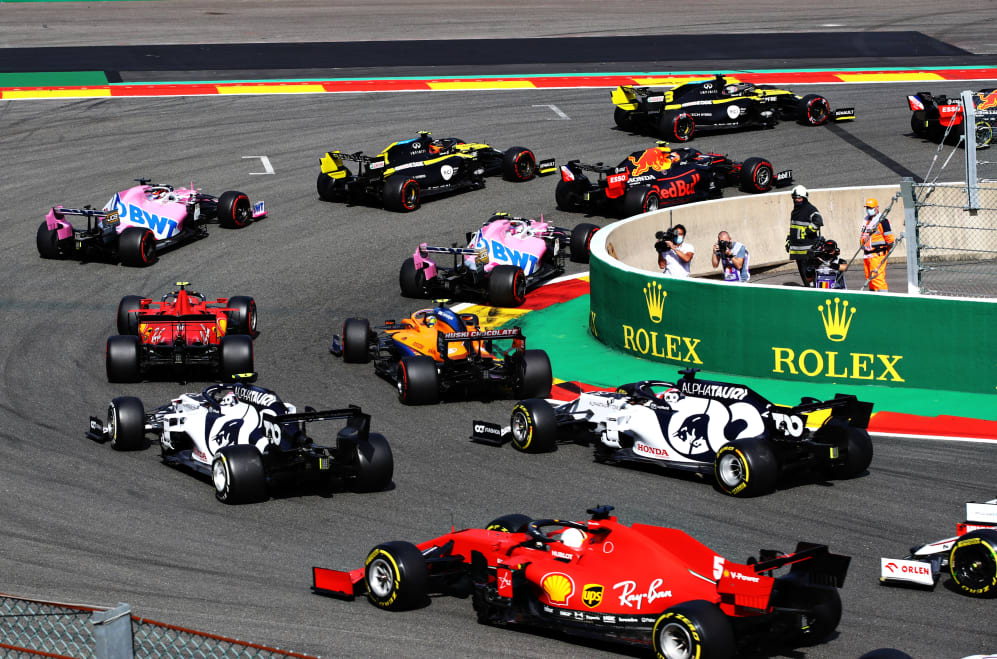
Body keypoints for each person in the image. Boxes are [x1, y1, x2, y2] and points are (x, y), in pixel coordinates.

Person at [786, 184, 824, 285]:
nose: (796, 200)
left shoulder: (810, 209)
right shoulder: (794, 211)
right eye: (794, 198)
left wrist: (807, 231)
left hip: (807, 250)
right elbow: (793, 227)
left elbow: (818, 221)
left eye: (798, 198)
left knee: (810, 277)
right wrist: (789, 239)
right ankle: (808, 288)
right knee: (804, 277)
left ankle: (812, 290)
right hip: (797, 250)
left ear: (804, 198)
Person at [859, 198, 895, 291]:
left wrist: (885, 250)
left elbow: (890, 239)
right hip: (867, 254)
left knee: (877, 279)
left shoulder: (882, 221)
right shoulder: (867, 220)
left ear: (877, 208)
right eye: (867, 208)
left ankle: (883, 298)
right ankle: (873, 296)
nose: (868, 210)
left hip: (877, 254)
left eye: (870, 208)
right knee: (869, 279)